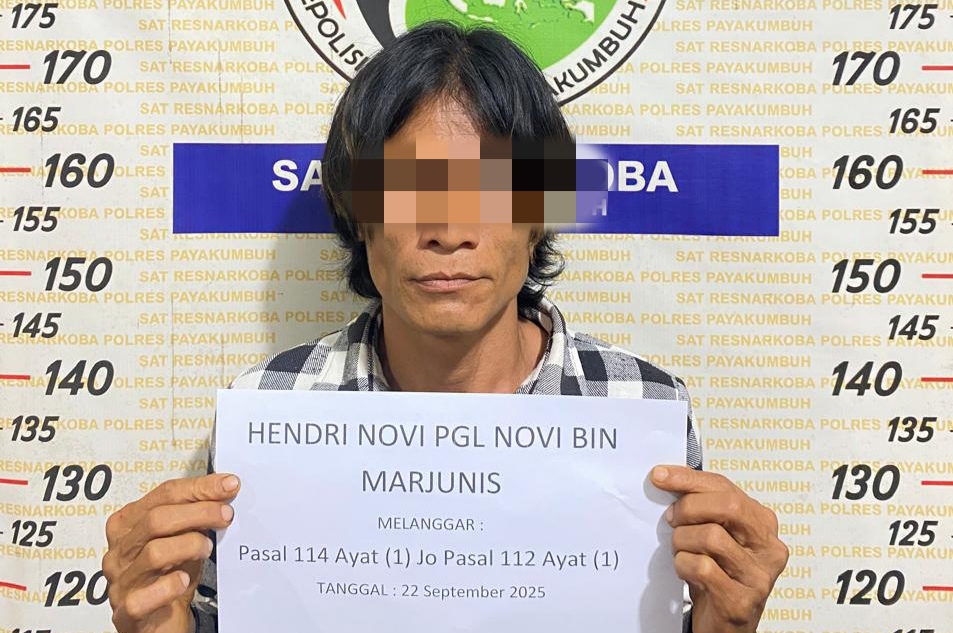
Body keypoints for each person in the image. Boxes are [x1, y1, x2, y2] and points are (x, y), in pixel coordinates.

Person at [102, 20, 789, 633]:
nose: (449, 231)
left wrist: (724, 629)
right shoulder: (271, 407)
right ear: (359, 214)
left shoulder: (643, 410)